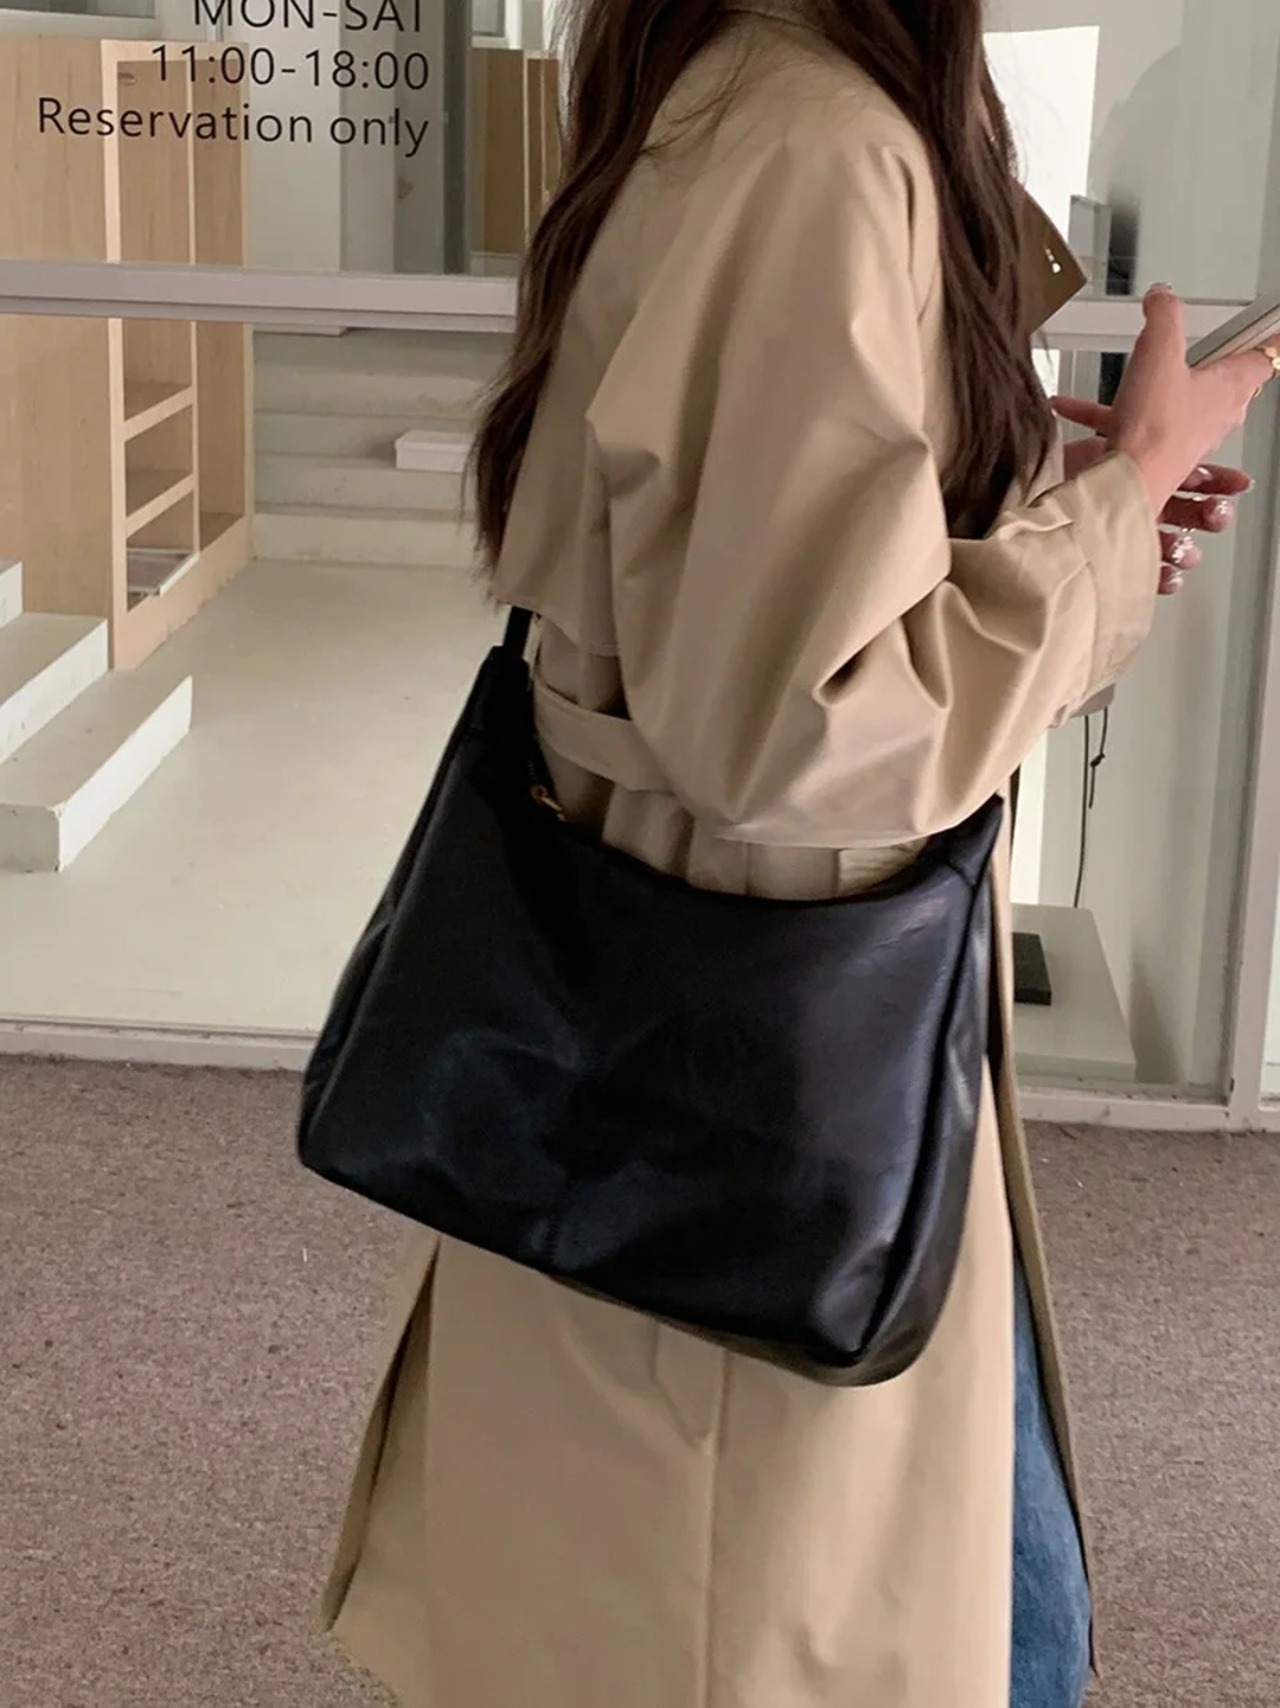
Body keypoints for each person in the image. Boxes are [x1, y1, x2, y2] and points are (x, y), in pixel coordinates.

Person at [317, 3, 1274, 1706]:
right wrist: (1123, 492)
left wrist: (1024, 507)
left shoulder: (750, 91)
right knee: (872, 1601)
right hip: (766, 1032)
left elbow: (721, 567)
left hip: (751, 998)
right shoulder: (819, 145)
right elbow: (802, 730)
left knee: (976, 1576)